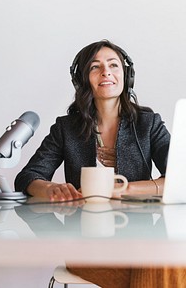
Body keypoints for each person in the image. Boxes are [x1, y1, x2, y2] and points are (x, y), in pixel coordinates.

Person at [15, 40, 185, 288]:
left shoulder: (148, 124)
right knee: (164, 264)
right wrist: (49, 189)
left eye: (113, 65)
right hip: (84, 246)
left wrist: (125, 189)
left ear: (126, 75)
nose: (106, 72)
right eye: (95, 67)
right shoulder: (66, 128)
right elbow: (28, 176)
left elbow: (180, 177)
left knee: (161, 260)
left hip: (141, 237)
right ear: (83, 80)